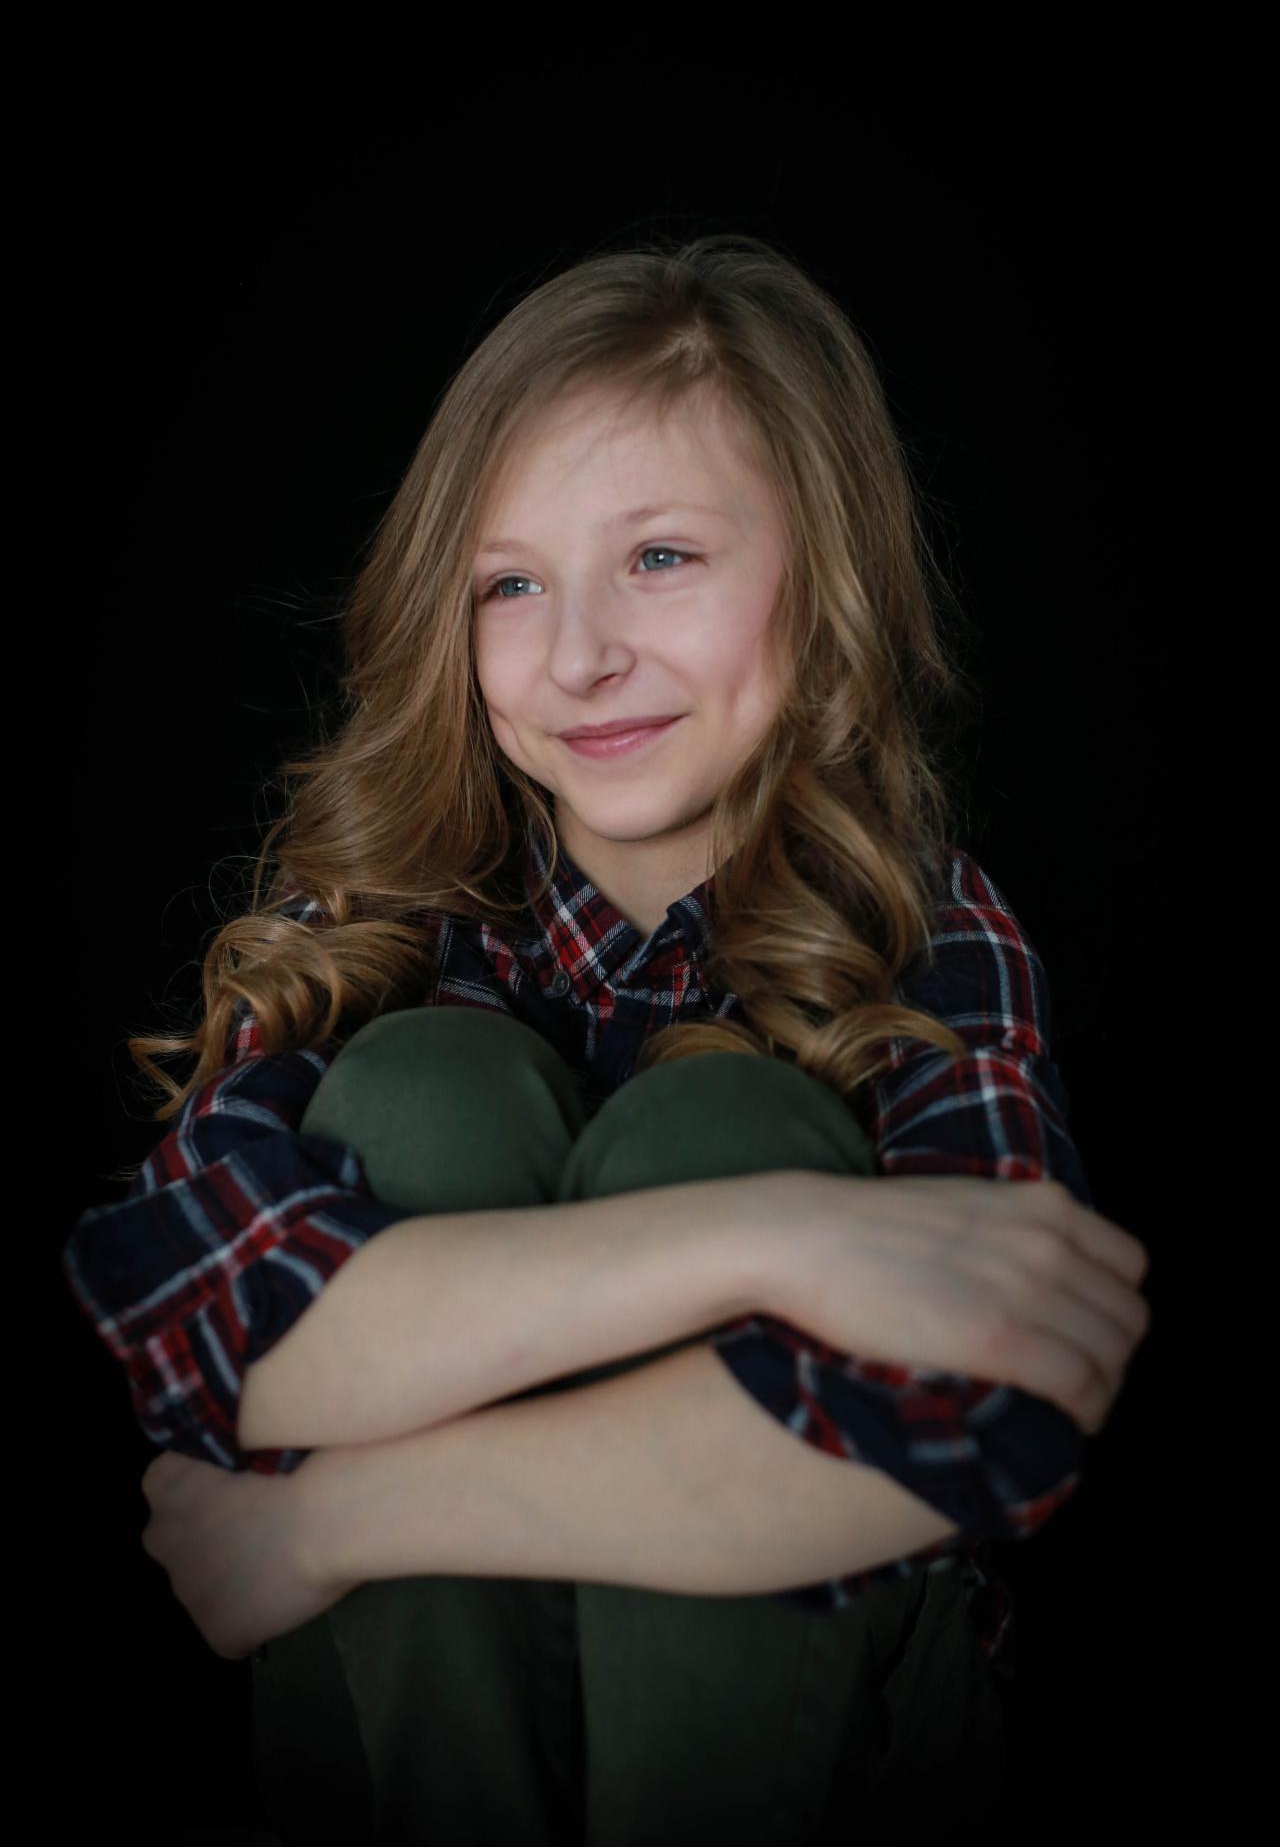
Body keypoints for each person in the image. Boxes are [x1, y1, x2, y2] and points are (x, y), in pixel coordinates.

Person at [62, 232, 1150, 1846]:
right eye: (510, 584)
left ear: (823, 574)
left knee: (727, 1121)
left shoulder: (922, 930)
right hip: (387, 1758)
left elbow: (974, 1417)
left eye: (659, 557)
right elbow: (195, 1333)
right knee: (425, 1090)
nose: (578, 656)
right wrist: (776, 1243)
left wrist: (328, 1522)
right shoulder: (365, 918)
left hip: (840, 1761)